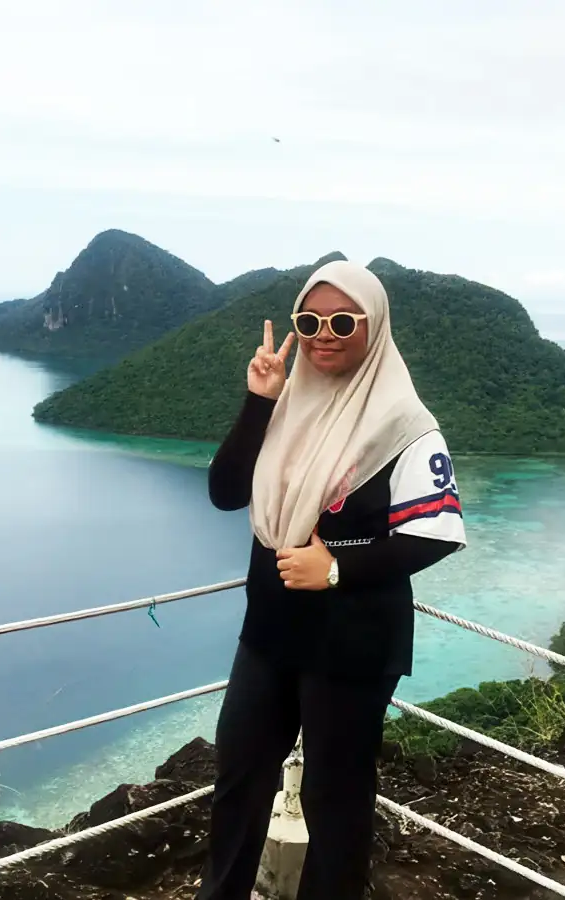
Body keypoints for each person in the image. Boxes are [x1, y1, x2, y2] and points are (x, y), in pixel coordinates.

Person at [198, 260, 467, 900]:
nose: (324, 333)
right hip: (267, 633)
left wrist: (338, 567)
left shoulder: (404, 424)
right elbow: (225, 492)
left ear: (373, 328)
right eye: (310, 320)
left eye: (342, 321)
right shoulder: (288, 409)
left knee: (335, 799)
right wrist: (259, 399)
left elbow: (436, 532)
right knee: (239, 778)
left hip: (351, 641)